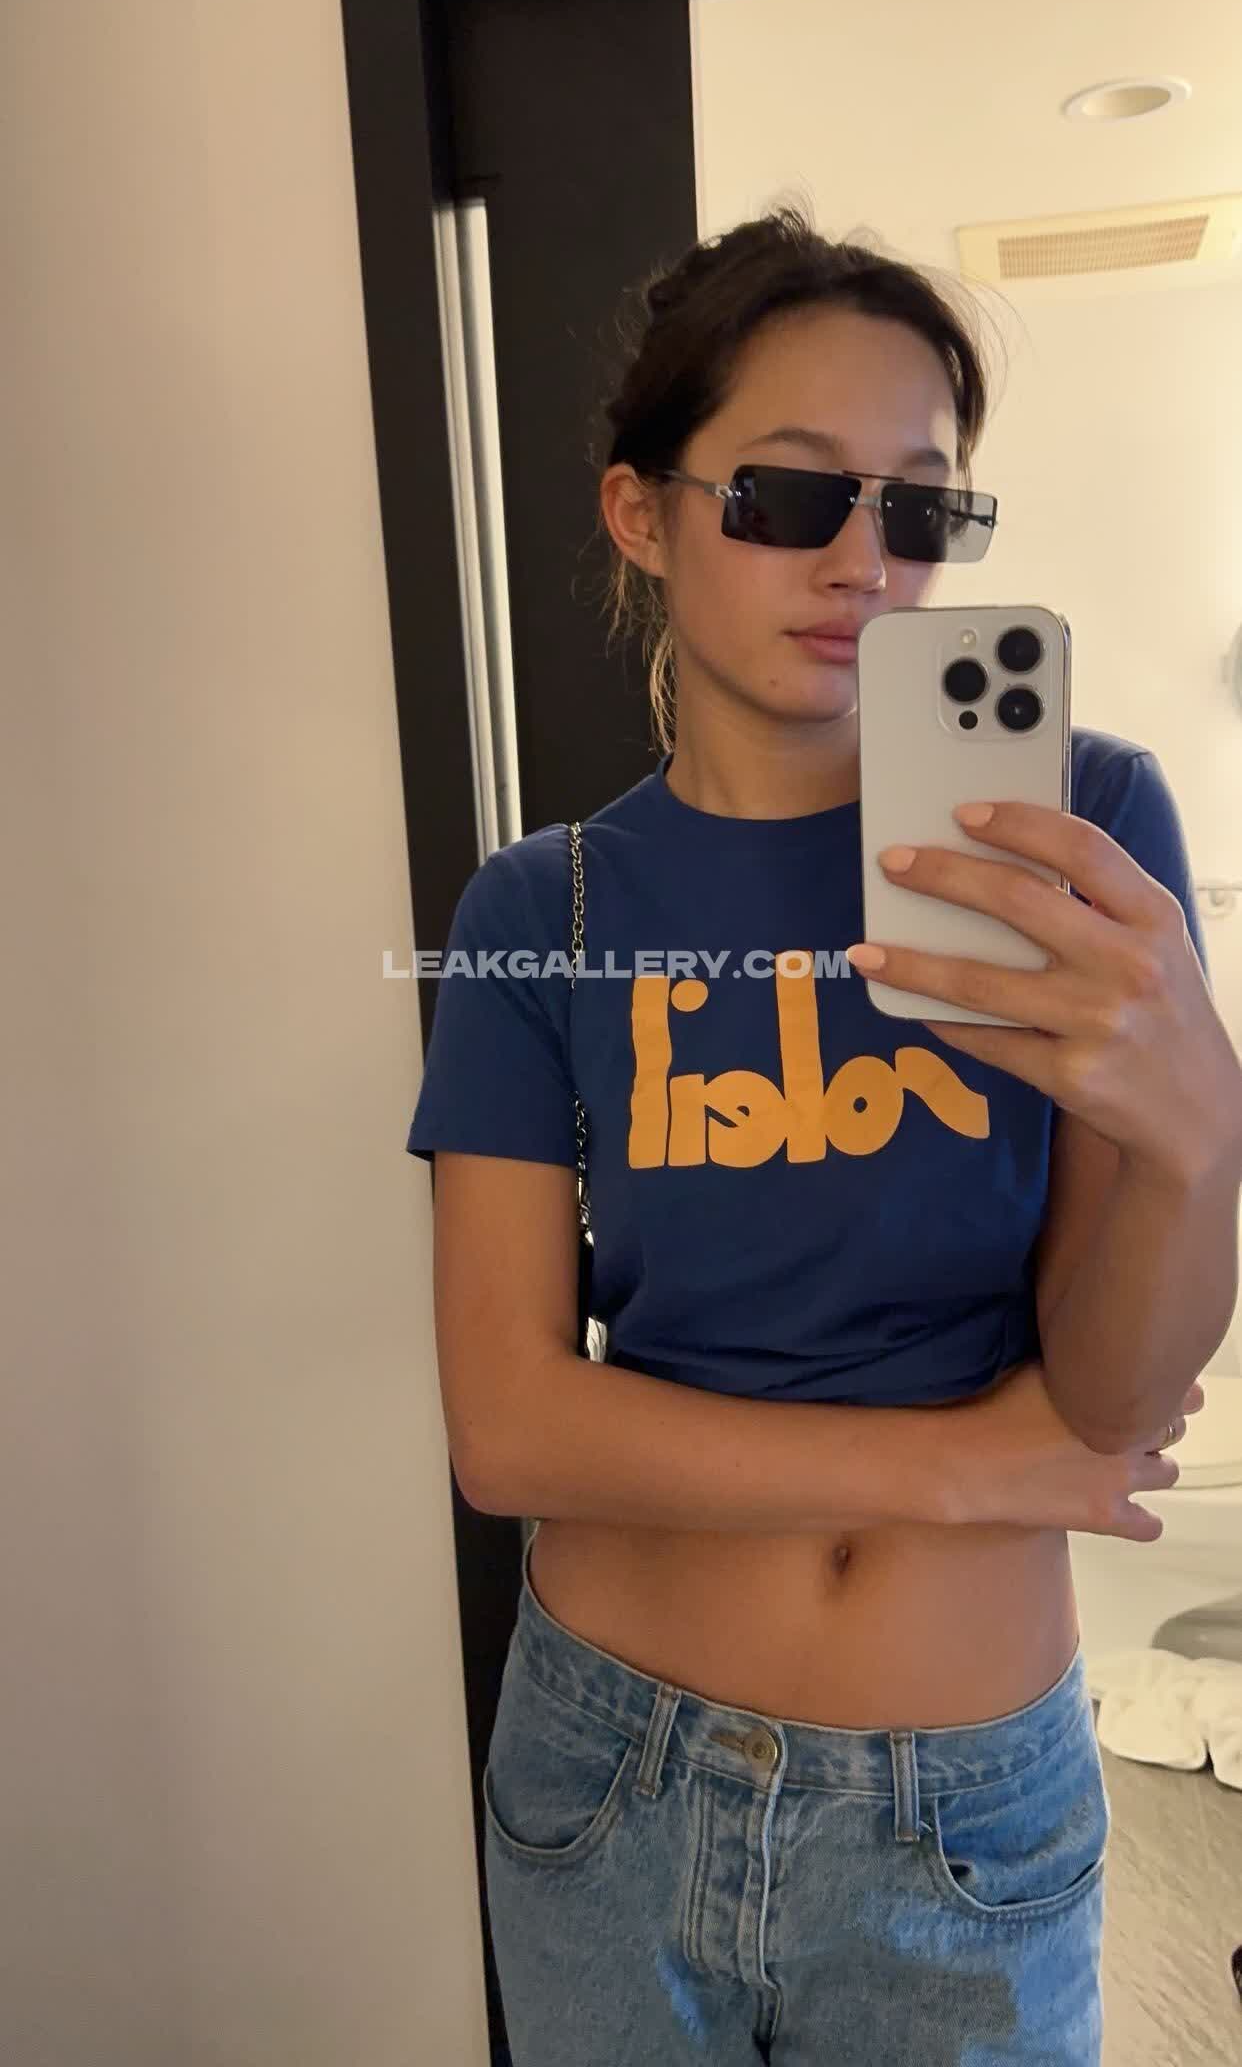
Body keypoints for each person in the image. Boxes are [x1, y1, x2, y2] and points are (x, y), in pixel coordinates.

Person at [406, 206, 1242, 2065]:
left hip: (965, 1807)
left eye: (919, 507)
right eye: (787, 497)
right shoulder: (541, 910)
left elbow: (1108, 1403)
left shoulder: (1080, 831)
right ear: (640, 515)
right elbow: (510, 1429)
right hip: (608, 1779)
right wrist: (962, 1472)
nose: (862, 558)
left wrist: (1201, 1137)